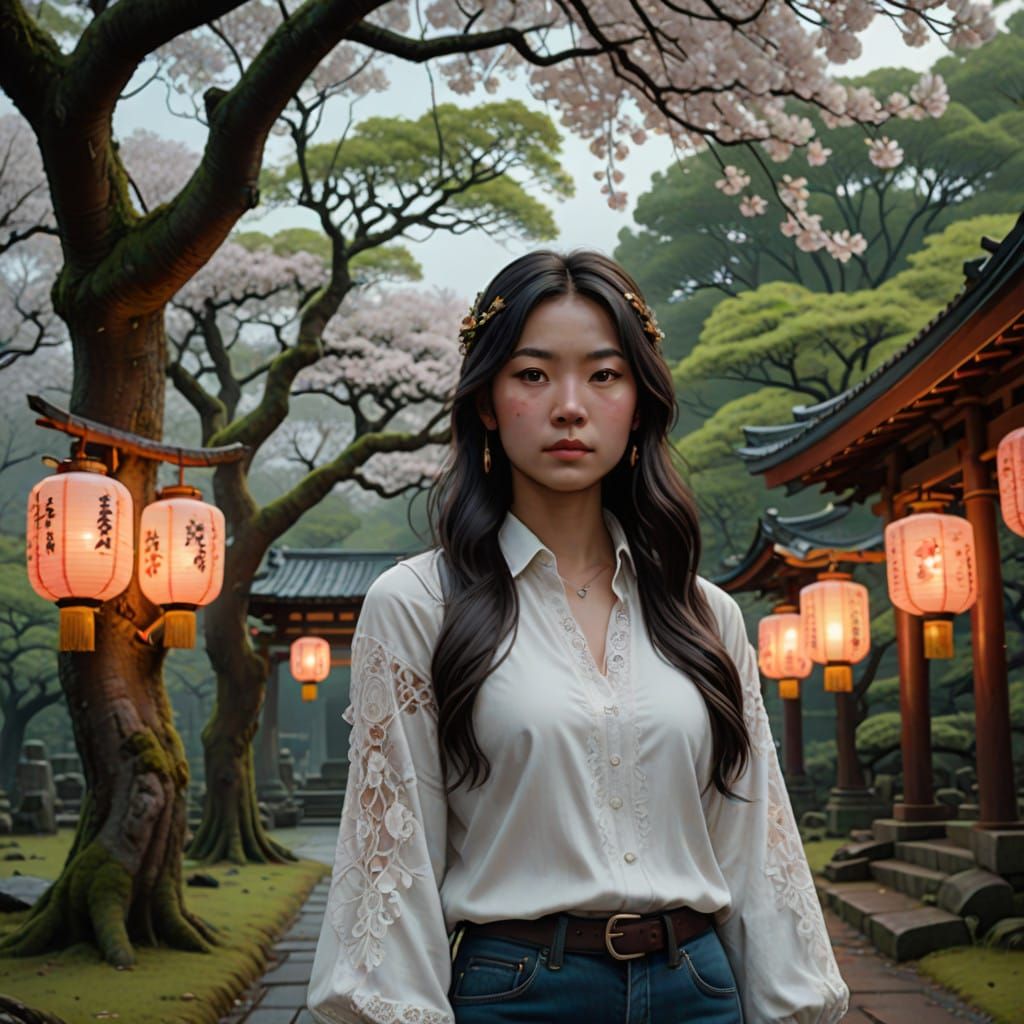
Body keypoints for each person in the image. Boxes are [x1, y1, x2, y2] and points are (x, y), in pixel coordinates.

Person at [306, 250, 850, 1024]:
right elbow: (394, 859)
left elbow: (754, 843)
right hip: (517, 992)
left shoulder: (703, 613)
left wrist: (791, 1006)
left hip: (699, 991)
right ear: (486, 401)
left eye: (603, 375)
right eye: (532, 374)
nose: (569, 407)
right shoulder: (419, 605)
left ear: (640, 403)